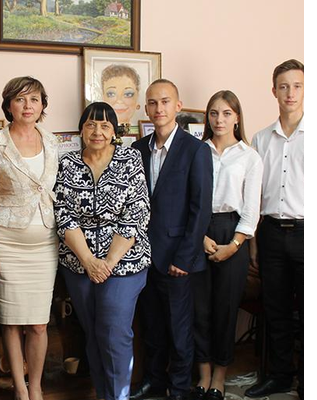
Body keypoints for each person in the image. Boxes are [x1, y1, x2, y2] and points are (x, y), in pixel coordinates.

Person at [54, 101, 151, 400]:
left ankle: (118, 396)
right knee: (94, 332)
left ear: (114, 132)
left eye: (105, 125)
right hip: (79, 263)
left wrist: (107, 262)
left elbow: (137, 212)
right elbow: (63, 213)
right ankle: (104, 394)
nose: (97, 131)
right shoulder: (67, 163)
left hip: (124, 262)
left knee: (114, 332)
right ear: (81, 130)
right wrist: (88, 261)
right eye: (91, 125)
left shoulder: (130, 159)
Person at [0, 76, 59, 400]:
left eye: (34, 99)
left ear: (42, 105)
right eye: (20, 99)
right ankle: (20, 389)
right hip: (6, 242)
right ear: (8, 105)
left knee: (38, 323)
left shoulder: (52, 141)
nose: (28, 106)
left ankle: (36, 386)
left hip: (45, 243)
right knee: (10, 321)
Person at [130, 79, 213, 400]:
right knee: (152, 327)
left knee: (180, 331)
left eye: (165, 101)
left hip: (178, 258)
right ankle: (154, 381)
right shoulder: (137, 149)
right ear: (146, 108)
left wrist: (185, 257)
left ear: (178, 106)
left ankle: (178, 389)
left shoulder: (196, 150)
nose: (158, 108)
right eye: (152, 103)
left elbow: (200, 209)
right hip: (143, 257)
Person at [189, 91, 263, 400]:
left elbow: (251, 209)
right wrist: (199, 237)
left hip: (233, 232)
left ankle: (220, 376)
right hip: (199, 230)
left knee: (225, 310)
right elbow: (187, 199)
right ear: (207, 117)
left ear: (237, 117)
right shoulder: (196, 151)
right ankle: (203, 374)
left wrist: (233, 245)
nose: (219, 119)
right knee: (199, 309)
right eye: (214, 113)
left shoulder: (249, 156)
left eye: (226, 113)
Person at [244, 59, 304, 400]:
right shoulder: (261, 138)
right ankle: (280, 376)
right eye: (283, 87)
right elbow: (253, 195)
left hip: (307, 233)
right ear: (274, 92)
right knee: (276, 310)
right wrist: (253, 243)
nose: (290, 93)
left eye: (296, 86)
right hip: (271, 234)